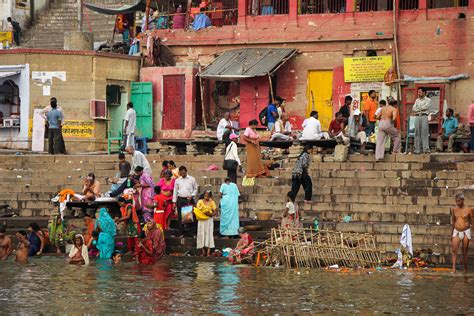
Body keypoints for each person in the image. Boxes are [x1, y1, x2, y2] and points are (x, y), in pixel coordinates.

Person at [451, 193, 473, 273]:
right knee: (454, 250)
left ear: (463, 200)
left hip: (466, 231)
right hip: (456, 231)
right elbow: (453, 221)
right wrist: (451, 233)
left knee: (465, 251)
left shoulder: (469, 209)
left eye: (459, 201)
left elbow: (472, 222)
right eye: (456, 201)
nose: (457, 203)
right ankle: (453, 269)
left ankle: (465, 269)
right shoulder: (454, 209)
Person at [173, 166, 198, 236]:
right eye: (181, 173)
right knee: (180, 217)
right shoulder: (177, 180)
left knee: (191, 216)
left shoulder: (192, 179)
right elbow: (175, 191)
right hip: (180, 199)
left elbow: (196, 188)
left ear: (186, 171)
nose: (183, 174)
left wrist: (192, 195)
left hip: (189, 199)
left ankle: (192, 232)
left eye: (184, 173)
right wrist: (174, 202)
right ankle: (181, 232)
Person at [195, 190, 217, 256]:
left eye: (208, 196)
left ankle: (208, 252)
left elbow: (215, 210)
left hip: (209, 220)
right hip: (201, 219)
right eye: (205, 195)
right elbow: (197, 210)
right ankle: (203, 251)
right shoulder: (200, 201)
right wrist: (205, 212)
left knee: (209, 234)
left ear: (210, 196)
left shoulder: (212, 202)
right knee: (201, 234)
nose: (206, 197)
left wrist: (212, 214)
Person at [412, 88, 432, 154]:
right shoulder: (417, 100)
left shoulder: (428, 100)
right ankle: (417, 150)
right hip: (417, 116)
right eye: (418, 92)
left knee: (424, 132)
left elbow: (426, 107)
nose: (418, 93)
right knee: (417, 133)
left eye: (420, 92)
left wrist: (418, 109)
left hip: (424, 116)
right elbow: (413, 108)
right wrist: (419, 109)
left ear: (424, 92)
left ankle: (425, 149)